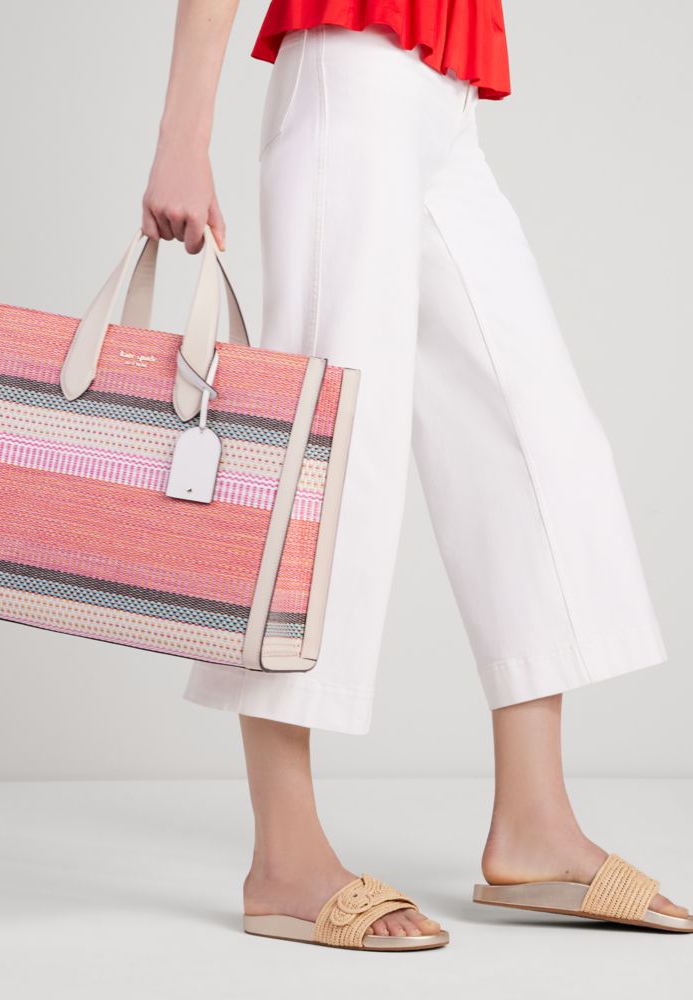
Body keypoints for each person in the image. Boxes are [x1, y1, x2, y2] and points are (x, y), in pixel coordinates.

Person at [141, 1, 691, 950]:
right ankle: (284, 856)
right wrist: (183, 136)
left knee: (533, 435)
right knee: (322, 458)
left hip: (446, 95)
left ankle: (533, 827)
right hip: (347, 64)